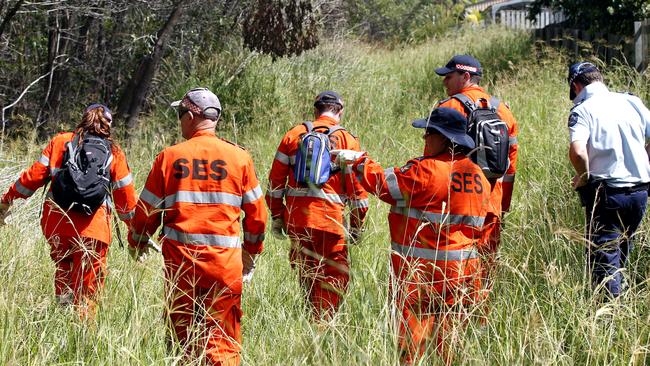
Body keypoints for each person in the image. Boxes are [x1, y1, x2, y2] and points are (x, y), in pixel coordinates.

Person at [333, 107, 490, 365]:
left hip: (421, 273)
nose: (424, 139)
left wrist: (359, 161)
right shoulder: (478, 176)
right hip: (464, 273)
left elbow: (384, 186)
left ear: (443, 137)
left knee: (411, 344)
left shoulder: (426, 171)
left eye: (428, 133)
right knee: (451, 344)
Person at [127, 87, 267, 365]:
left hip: (182, 266)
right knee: (222, 344)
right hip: (224, 268)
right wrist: (250, 254)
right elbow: (258, 216)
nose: (180, 121)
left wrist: (137, 241)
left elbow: (146, 212)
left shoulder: (169, 157)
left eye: (180, 115)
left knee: (183, 342)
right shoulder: (240, 158)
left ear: (191, 116)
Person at [0, 104, 137, 318]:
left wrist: (6, 202)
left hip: (57, 224)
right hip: (95, 229)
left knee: (63, 271)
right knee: (87, 290)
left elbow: (33, 177)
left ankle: (62, 318)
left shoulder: (61, 141)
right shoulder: (114, 151)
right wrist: (136, 232)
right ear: (108, 125)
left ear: (84, 119)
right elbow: (126, 201)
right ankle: (80, 336)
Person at [265, 90, 368, 320]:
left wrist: (277, 216)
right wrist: (356, 226)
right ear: (339, 111)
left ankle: (311, 316)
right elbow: (357, 193)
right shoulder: (347, 140)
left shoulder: (294, 134)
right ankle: (323, 324)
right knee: (333, 274)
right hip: (329, 221)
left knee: (307, 271)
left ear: (315, 111)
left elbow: (275, 182)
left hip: (297, 219)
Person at [434, 54, 519, 302]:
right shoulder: (503, 110)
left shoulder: (448, 107)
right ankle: (480, 320)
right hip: (492, 201)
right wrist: (503, 206)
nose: (445, 82)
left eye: (448, 77)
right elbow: (510, 167)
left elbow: (434, 159)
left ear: (466, 76)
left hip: (457, 203)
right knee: (486, 265)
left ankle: (454, 315)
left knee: (454, 264)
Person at [566, 62, 650, 298]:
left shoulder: (583, 109)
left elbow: (579, 152)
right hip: (641, 191)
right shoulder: (631, 101)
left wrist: (583, 179)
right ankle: (619, 300)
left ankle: (608, 318)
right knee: (622, 250)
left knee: (604, 258)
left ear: (576, 86)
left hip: (607, 193)